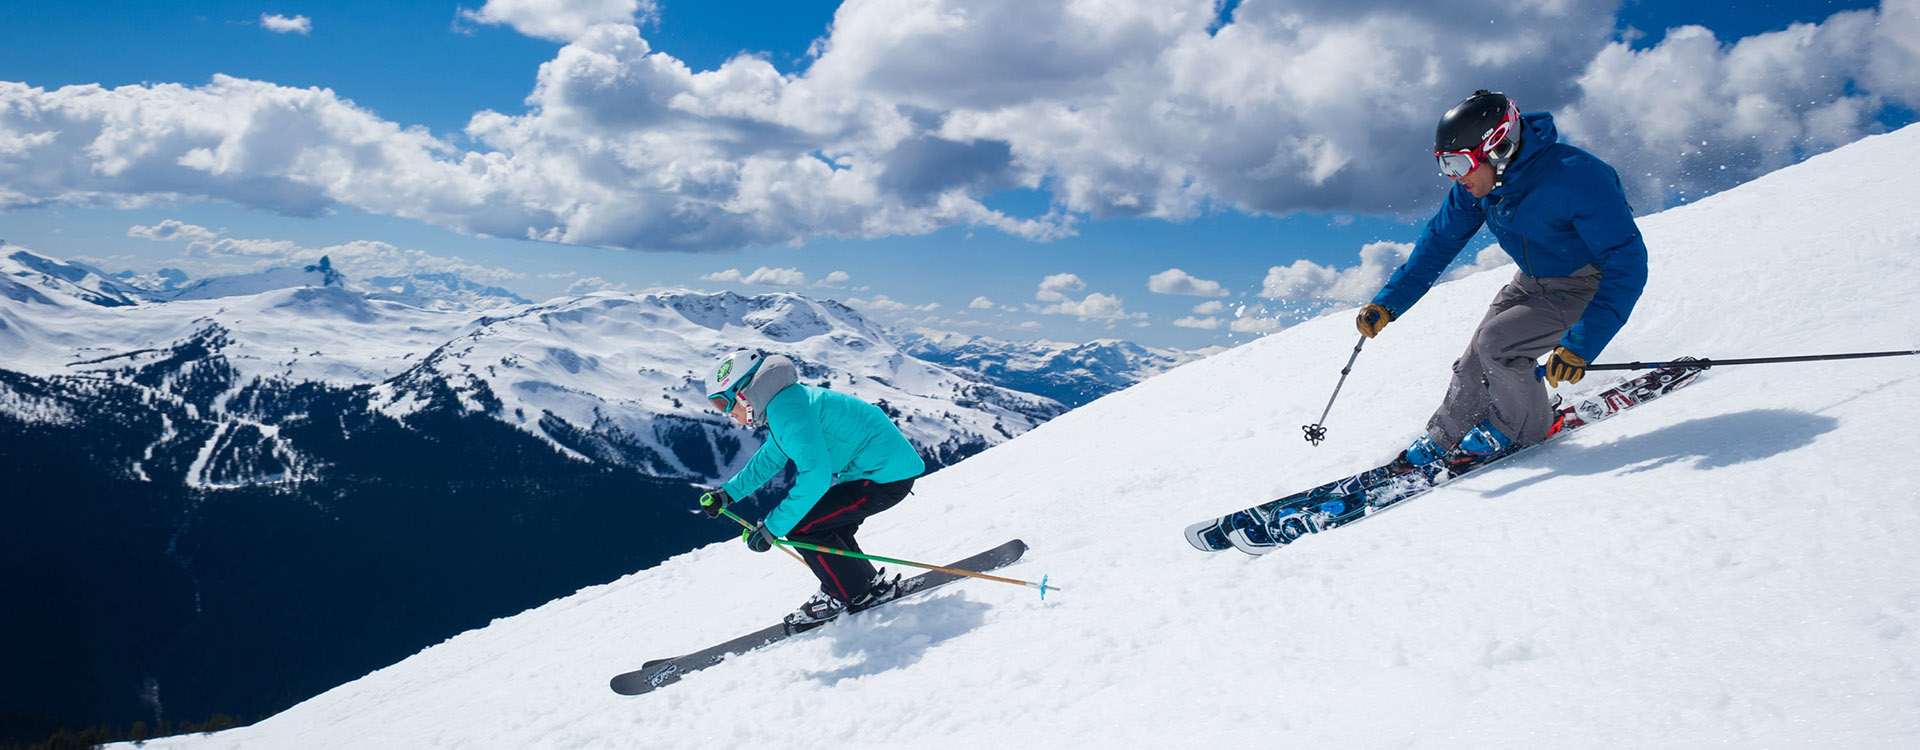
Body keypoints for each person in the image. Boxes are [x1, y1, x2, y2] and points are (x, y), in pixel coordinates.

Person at [1356, 90, 1648, 470]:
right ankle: (1447, 436)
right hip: (1531, 281)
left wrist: (1583, 343)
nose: (1455, 178)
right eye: (1446, 166)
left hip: (1585, 284)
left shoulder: (1578, 177)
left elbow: (1628, 262)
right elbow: (1439, 243)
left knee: (1500, 344)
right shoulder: (1482, 186)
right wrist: (1389, 301)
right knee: (1475, 359)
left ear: (1499, 148)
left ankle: (1522, 430)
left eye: (1459, 164)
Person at [696, 349, 928, 627]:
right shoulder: (785, 404)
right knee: (826, 527)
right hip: (877, 472)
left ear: (743, 393)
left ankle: (842, 593)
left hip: (883, 478)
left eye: (724, 404)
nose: (727, 414)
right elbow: (772, 456)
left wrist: (772, 528)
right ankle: (863, 587)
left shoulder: (787, 410)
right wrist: (728, 494)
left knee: (804, 527)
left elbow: (815, 476)